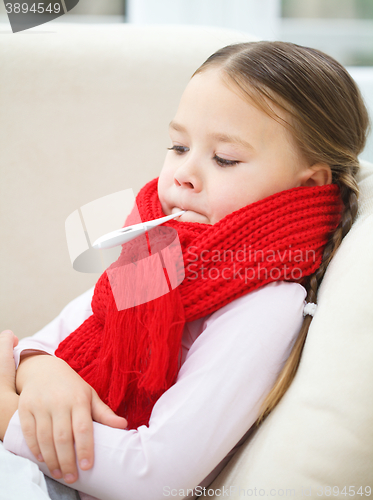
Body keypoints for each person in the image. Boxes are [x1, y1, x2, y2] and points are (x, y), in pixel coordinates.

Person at [0, 41, 369, 500]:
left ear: (308, 184)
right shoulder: (155, 255)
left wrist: (7, 414)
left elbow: (153, 477)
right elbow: (36, 344)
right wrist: (42, 372)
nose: (183, 174)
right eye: (178, 146)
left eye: (225, 159)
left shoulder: (265, 306)